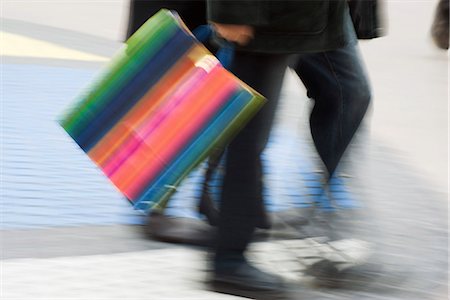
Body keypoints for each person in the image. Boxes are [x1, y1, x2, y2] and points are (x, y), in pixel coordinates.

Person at [206, 0, 372, 295]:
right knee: (250, 128)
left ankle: (323, 231)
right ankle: (228, 260)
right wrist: (232, 11)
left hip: (319, 14)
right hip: (269, 16)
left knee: (348, 90)